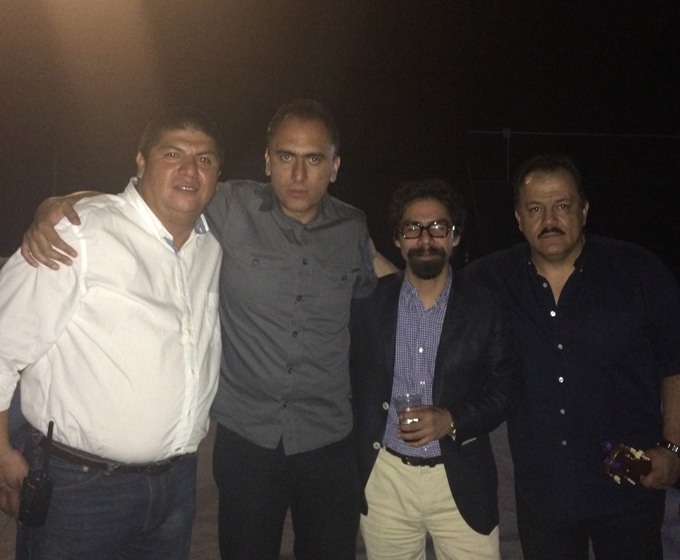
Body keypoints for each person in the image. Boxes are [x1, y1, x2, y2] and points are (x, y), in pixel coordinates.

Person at [20, 99, 395, 560]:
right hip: (248, 439)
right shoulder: (229, 206)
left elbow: (380, 286)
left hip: (329, 440)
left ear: (334, 166)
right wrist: (58, 205)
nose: (298, 174)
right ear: (267, 161)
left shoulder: (351, 227)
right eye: (286, 156)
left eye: (314, 159)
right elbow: (147, 199)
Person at [0, 106, 224, 559]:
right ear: (141, 162)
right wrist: (2, 453)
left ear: (218, 174)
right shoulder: (78, 233)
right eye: (173, 154)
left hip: (175, 487)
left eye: (204, 159)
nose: (189, 169)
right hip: (80, 491)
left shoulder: (210, 246)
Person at [462, 154, 680, 560]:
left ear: (584, 210)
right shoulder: (490, 279)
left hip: (630, 485)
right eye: (535, 209)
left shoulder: (639, 271)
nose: (550, 219)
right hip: (545, 495)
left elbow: (675, 365)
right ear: (519, 218)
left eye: (562, 205)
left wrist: (673, 448)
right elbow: (424, 296)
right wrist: (368, 257)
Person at [349, 179, 520, 560]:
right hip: (386, 480)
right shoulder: (368, 304)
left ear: (454, 237)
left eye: (438, 227)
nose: (425, 239)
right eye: (413, 228)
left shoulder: (486, 308)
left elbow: (506, 390)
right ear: (398, 239)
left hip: (459, 480)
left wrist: (451, 419)